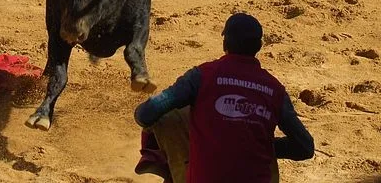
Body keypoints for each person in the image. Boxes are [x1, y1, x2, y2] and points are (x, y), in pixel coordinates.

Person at [133, 13, 314, 182]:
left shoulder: (203, 76)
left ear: (225, 43)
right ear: (259, 47)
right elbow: (305, 148)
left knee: (171, 117)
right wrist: (256, 147)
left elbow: (146, 114)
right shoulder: (275, 90)